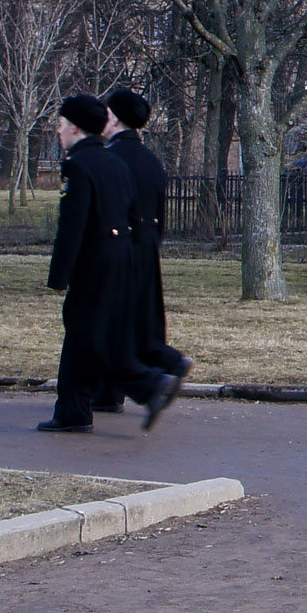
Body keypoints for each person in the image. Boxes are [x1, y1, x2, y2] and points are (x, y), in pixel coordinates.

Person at [39, 93, 177, 435]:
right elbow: (136, 215)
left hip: (94, 261)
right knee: (97, 334)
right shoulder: (115, 162)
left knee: (82, 335)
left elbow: (72, 227)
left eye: (60, 126)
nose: (59, 132)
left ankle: (92, 404)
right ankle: (93, 401)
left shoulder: (79, 165)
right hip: (123, 257)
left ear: (74, 128)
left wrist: (59, 275)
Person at [94, 86, 188, 411]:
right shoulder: (152, 162)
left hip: (121, 245)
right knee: (138, 317)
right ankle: (148, 373)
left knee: (109, 319)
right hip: (147, 244)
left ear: (116, 119)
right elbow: (161, 214)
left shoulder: (110, 159)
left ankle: (116, 390)